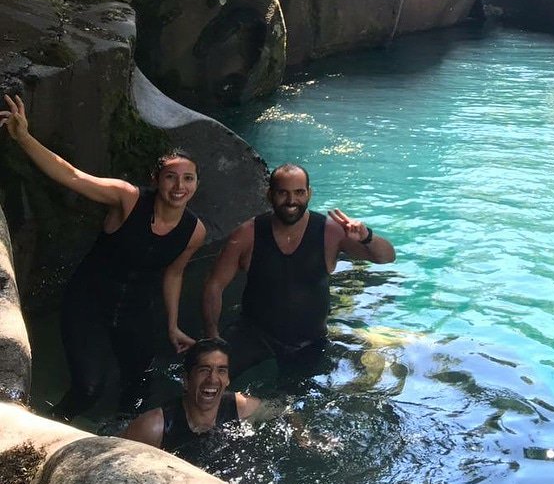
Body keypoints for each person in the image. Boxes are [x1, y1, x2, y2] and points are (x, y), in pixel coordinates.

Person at [1, 93, 206, 420]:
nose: (179, 186)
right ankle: (49, 430)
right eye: (171, 176)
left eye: (188, 178)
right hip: (88, 304)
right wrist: (24, 137)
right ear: (156, 180)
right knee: (89, 390)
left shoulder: (194, 231)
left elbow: (174, 273)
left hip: (136, 312)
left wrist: (172, 325)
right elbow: (73, 176)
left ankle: (122, 436)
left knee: (138, 388)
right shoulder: (127, 199)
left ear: (196, 183)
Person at [201, 163, 395, 379]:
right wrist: (212, 336)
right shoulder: (248, 234)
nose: (291, 201)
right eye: (282, 193)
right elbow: (214, 285)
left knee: (296, 397)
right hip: (253, 334)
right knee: (209, 377)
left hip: (308, 341)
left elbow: (386, 257)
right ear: (269, 195)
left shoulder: (330, 232)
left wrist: (367, 237)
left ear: (309, 193)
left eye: (299, 192)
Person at [121, 337, 260, 461]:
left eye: (221, 371)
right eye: (204, 370)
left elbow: (274, 410)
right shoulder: (154, 427)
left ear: (228, 379)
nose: (212, 379)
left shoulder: (242, 408)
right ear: (186, 379)